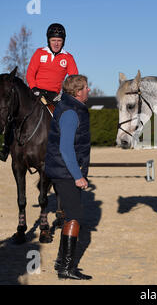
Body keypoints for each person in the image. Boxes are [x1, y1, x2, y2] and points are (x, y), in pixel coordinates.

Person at [0, 23, 78, 162]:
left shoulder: (68, 58)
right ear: (48, 40)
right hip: (35, 92)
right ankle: (5, 147)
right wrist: (33, 88)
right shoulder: (39, 53)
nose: (56, 43)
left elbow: (74, 78)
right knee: (14, 112)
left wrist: (65, 93)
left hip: (54, 95)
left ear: (63, 41)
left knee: (65, 117)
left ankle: (66, 149)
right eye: (53, 40)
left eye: (59, 41)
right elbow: (30, 73)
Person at [45, 74, 91, 280]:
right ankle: (66, 268)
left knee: (70, 215)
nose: (89, 90)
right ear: (78, 91)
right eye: (86, 87)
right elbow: (65, 149)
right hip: (65, 172)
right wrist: (78, 176)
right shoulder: (71, 112)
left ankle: (60, 262)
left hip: (63, 171)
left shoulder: (70, 107)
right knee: (75, 217)